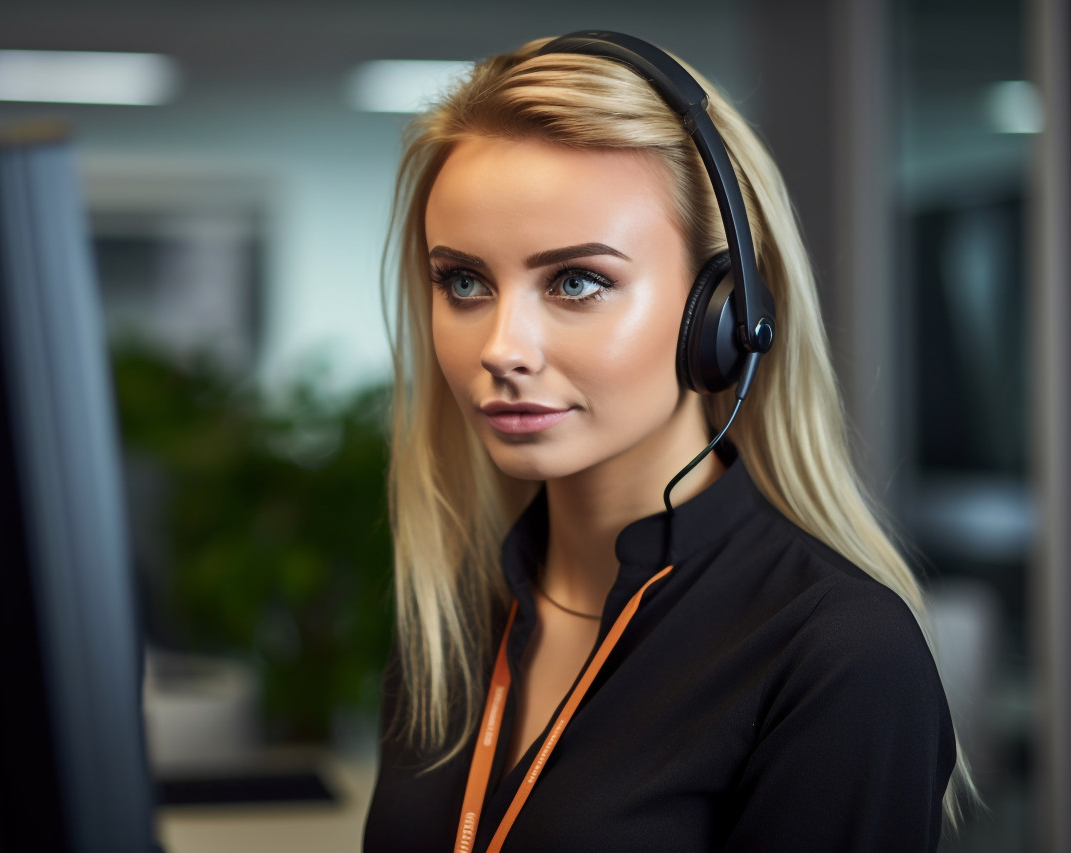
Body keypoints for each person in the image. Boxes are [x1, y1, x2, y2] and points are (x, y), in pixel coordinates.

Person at [364, 31, 971, 852]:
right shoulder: (457, 618)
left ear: (721, 317)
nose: (501, 347)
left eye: (577, 281)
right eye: (464, 281)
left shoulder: (837, 654)